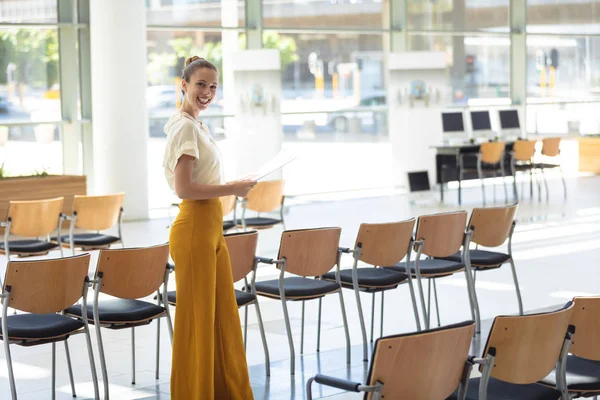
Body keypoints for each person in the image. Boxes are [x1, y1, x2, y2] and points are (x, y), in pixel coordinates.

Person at [163, 56, 256, 400]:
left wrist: (230, 187)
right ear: (184, 85)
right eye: (200, 84)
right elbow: (183, 189)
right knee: (200, 321)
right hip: (195, 228)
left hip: (210, 227)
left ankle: (219, 391)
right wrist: (232, 188)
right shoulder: (186, 127)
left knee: (219, 317)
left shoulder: (195, 125)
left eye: (213, 86)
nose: (207, 92)